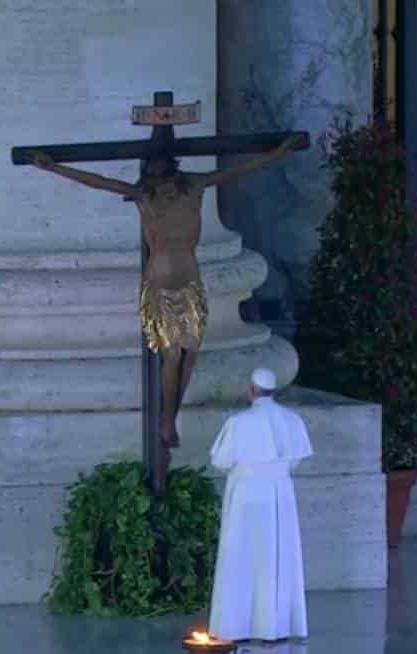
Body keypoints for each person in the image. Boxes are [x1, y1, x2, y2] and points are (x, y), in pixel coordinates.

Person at [28, 136, 303, 451]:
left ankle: (171, 413)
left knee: (190, 355)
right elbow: (99, 182)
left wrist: (277, 153)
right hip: (160, 287)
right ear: (150, 180)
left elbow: (237, 170)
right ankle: (167, 420)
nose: (164, 188)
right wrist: (54, 168)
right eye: (157, 182)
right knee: (172, 355)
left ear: (176, 174)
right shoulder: (144, 197)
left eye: (168, 181)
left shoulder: (195, 187)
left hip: (189, 284)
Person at [207, 367, 313, 643]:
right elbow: (295, 461)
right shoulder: (292, 420)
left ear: (251, 391)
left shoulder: (238, 423)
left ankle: (235, 626)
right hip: (280, 496)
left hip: (245, 496)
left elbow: (221, 461)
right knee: (278, 557)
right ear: (273, 391)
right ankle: (276, 625)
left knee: (240, 558)